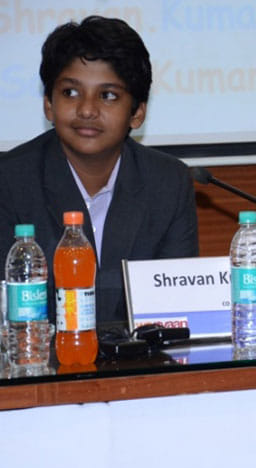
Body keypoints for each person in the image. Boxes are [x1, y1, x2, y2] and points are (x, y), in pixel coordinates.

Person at [0, 16, 199, 324]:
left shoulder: (168, 183)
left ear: (137, 113)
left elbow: (176, 307)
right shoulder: (10, 181)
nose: (87, 110)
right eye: (70, 92)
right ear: (48, 104)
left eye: (108, 96)